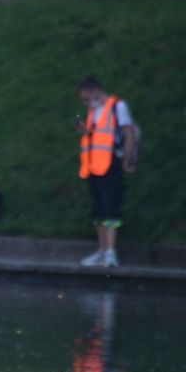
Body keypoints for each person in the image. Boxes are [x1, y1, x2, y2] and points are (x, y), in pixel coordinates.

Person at [76, 76, 140, 268]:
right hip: (94, 166)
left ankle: (111, 253)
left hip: (112, 163)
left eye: (87, 98)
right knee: (98, 209)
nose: (86, 102)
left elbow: (129, 134)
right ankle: (102, 250)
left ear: (96, 90)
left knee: (110, 208)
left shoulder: (117, 106)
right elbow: (99, 135)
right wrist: (85, 132)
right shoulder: (94, 110)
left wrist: (128, 160)